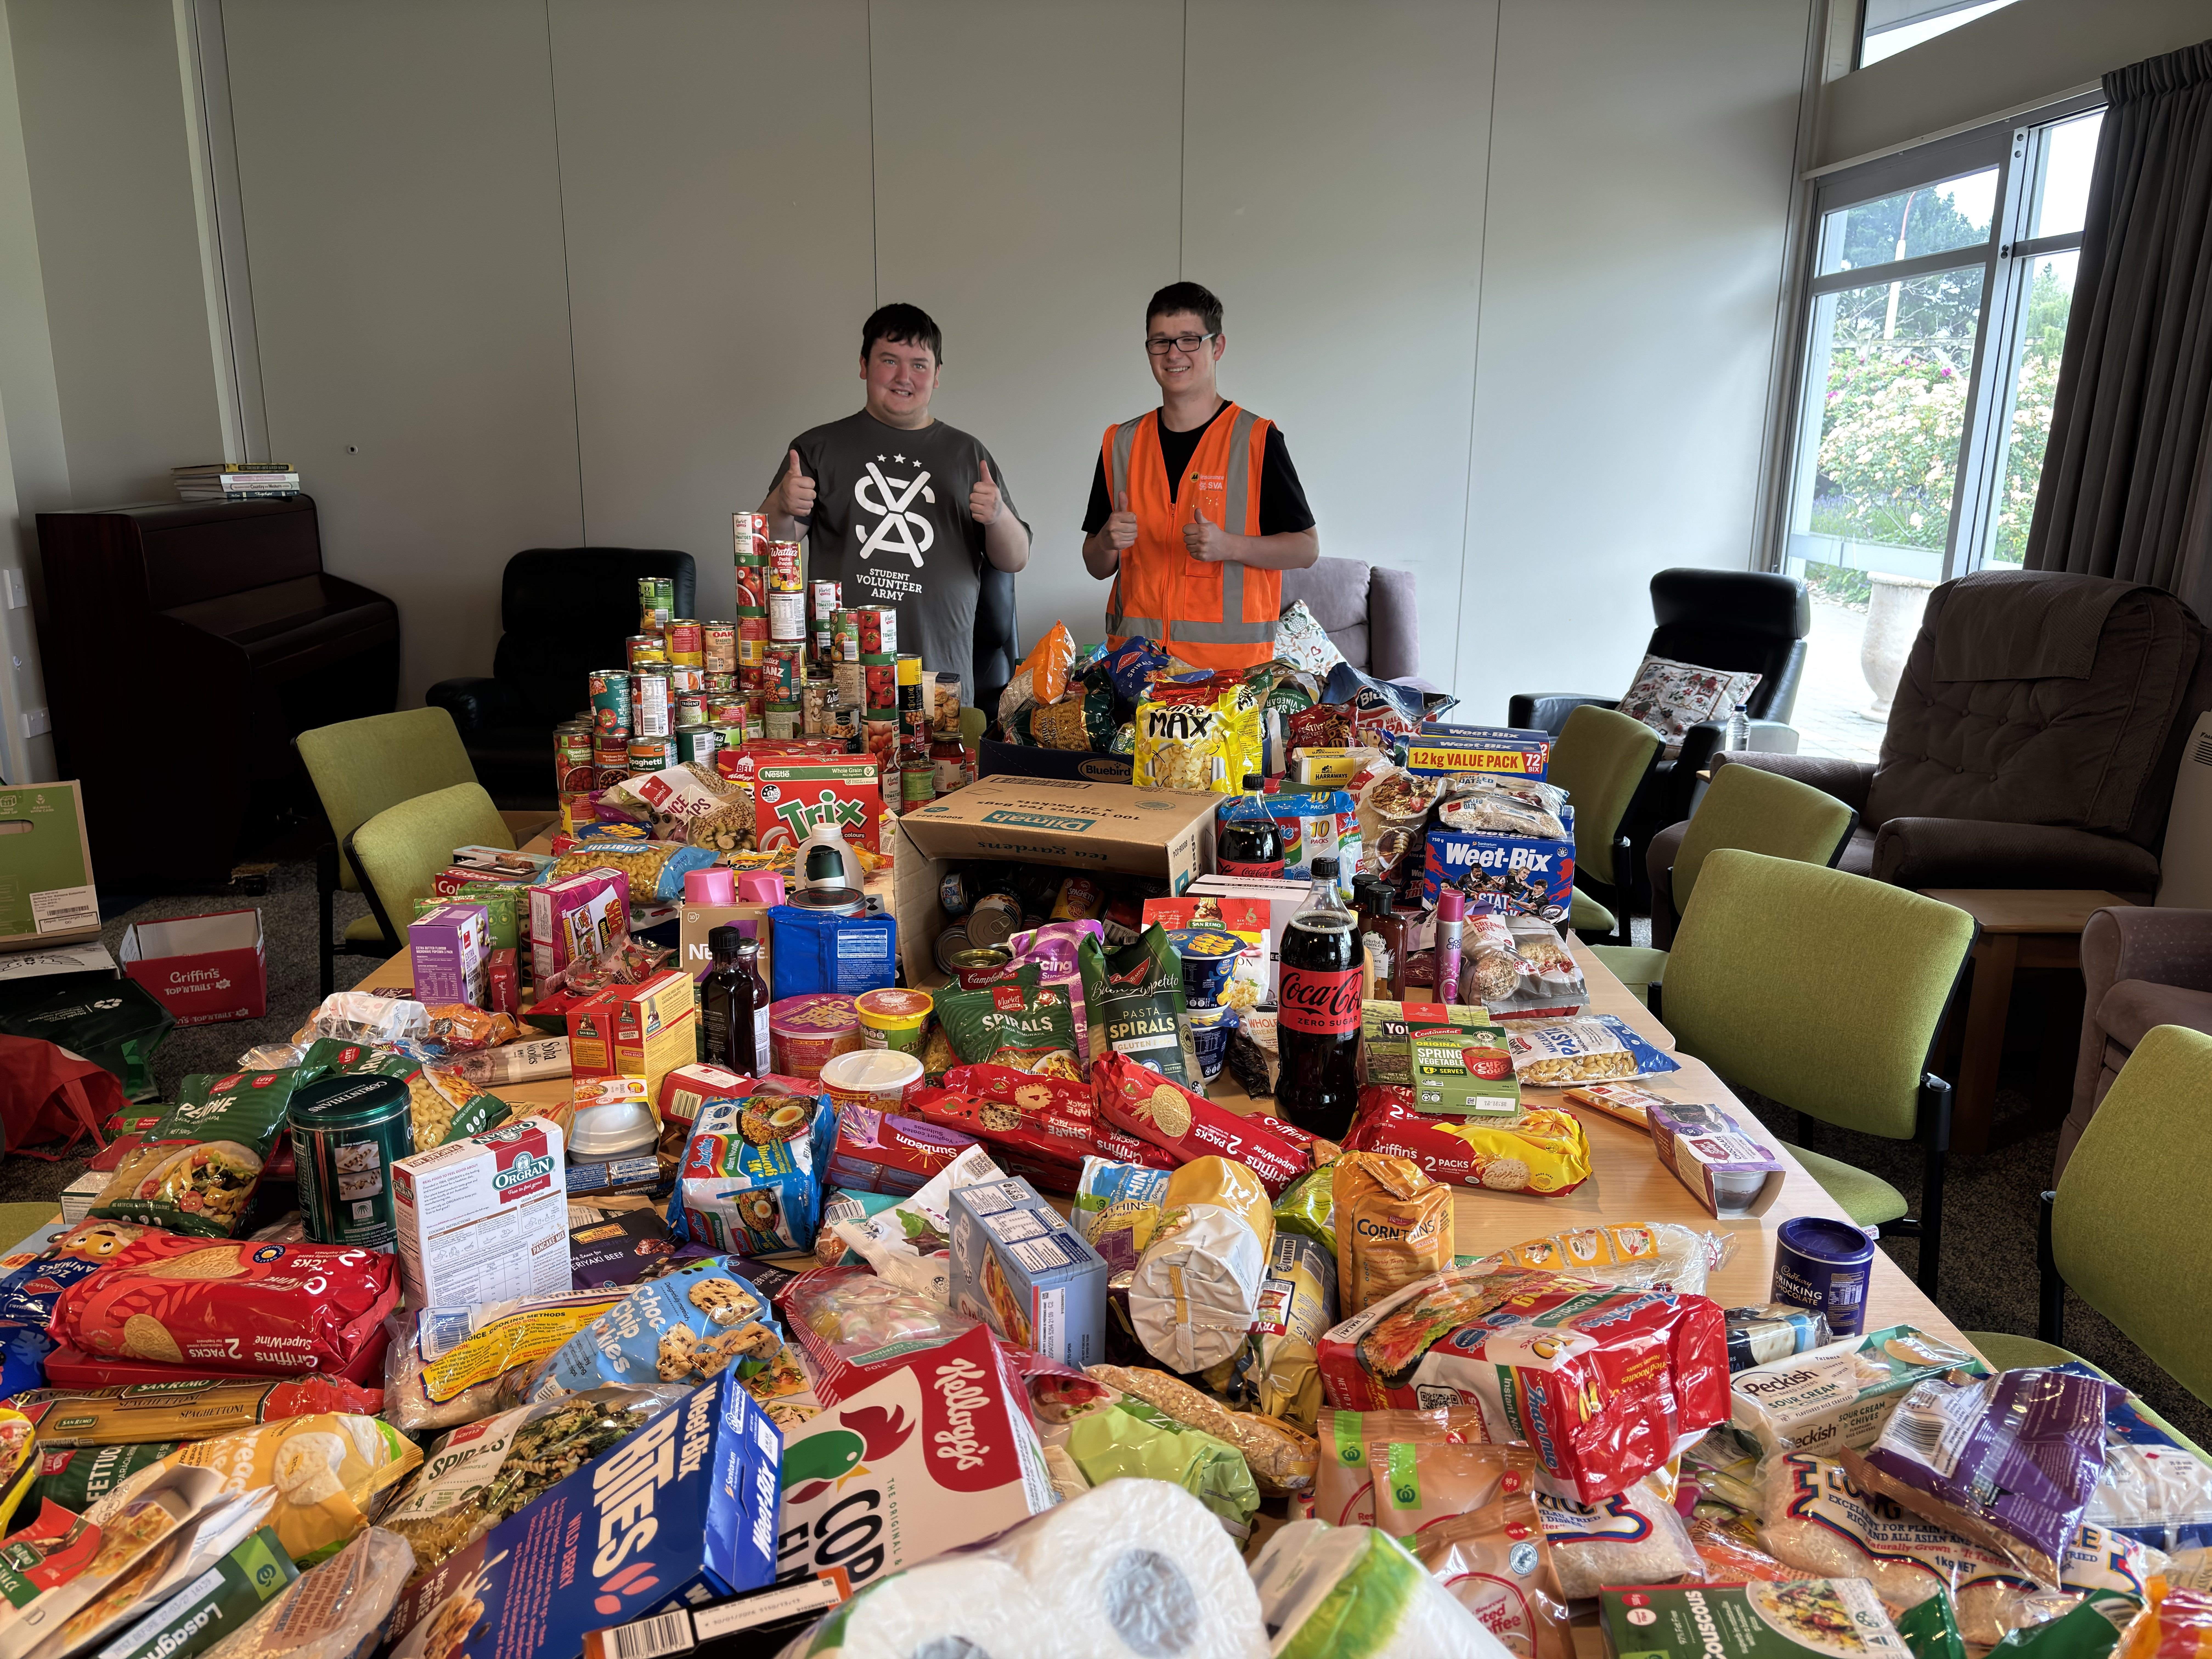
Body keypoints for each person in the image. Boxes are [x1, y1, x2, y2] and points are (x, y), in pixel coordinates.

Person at [763, 303, 1029, 700]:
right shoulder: (818, 447)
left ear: (937, 374)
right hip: (843, 674)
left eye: (920, 365)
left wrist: (997, 516)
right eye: (890, 360)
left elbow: (1016, 558)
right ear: (864, 365)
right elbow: (769, 546)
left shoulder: (967, 453)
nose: (905, 377)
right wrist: (783, 504)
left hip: (941, 677)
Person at [1080, 281, 1318, 671]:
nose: (1174, 354)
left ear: (1217, 347)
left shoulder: (1256, 439)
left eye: (1189, 340)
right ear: (1149, 351)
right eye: (1161, 342)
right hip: (1138, 673)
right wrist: (1107, 540)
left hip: (1230, 680)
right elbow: (1096, 565)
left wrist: (1229, 546)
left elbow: (1306, 549)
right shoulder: (1120, 443)